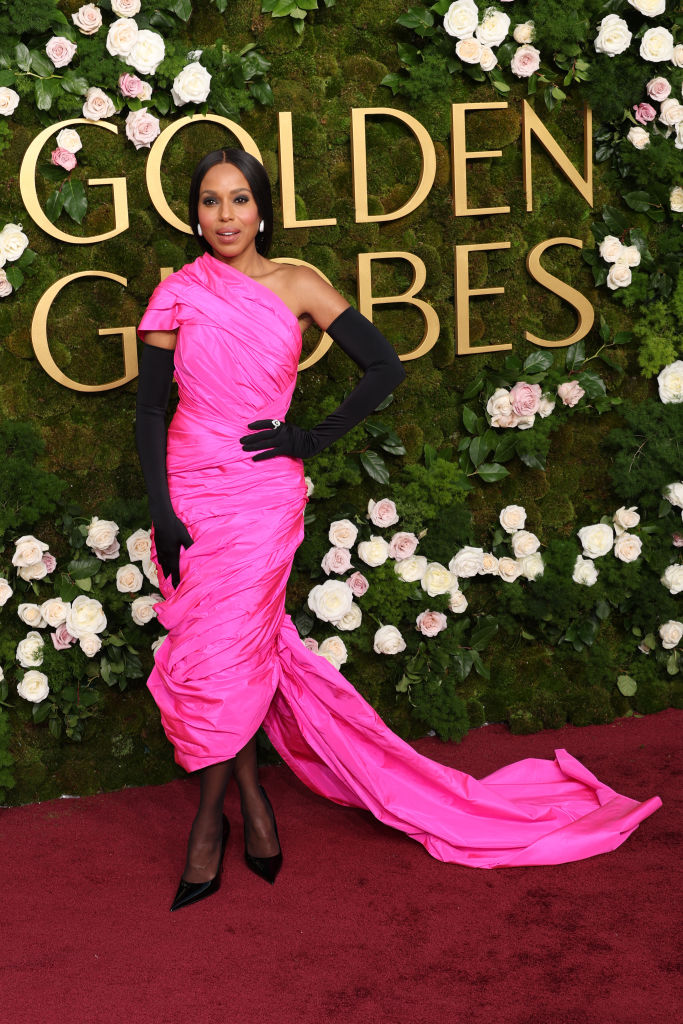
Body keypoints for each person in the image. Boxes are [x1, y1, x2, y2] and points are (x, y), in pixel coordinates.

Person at [135, 148, 661, 913]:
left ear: (262, 209)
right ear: (194, 214)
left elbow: (383, 366)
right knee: (224, 662)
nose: (225, 215)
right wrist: (159, 508)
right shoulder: (176, 295)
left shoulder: (300, 284)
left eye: (240, 200)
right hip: (188, 492)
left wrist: (308, 437)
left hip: (262, 502)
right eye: (211, 201)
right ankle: (254, 807)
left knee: (233, 654)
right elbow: (150, 411)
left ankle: (204, 833)